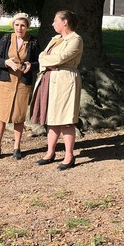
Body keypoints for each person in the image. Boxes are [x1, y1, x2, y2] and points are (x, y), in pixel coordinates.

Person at [30, 10, 83, 170]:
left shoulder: (76, 39)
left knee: (66, 119)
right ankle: (50, 152)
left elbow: (61, 58)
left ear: (65, 22)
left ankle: (69, 156)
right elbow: (41, 56)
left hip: (66, 81)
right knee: (52, 117)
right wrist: (47, 61)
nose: (53, 24)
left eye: (55, 21)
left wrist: (47, 60)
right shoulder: (55, 39)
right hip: (50, 79)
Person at [0, 13, 40, 160]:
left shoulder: (33, 42)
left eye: (23, 25)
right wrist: (6, 62)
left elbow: (40, 61)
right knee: (1, 115)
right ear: (13, 25)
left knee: (19, 116)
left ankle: (17, 146)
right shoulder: (6, 39)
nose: (20, 28)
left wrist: (31, 66)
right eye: (17, 25)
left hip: (23, 82)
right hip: (5, 81)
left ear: (27, 27)